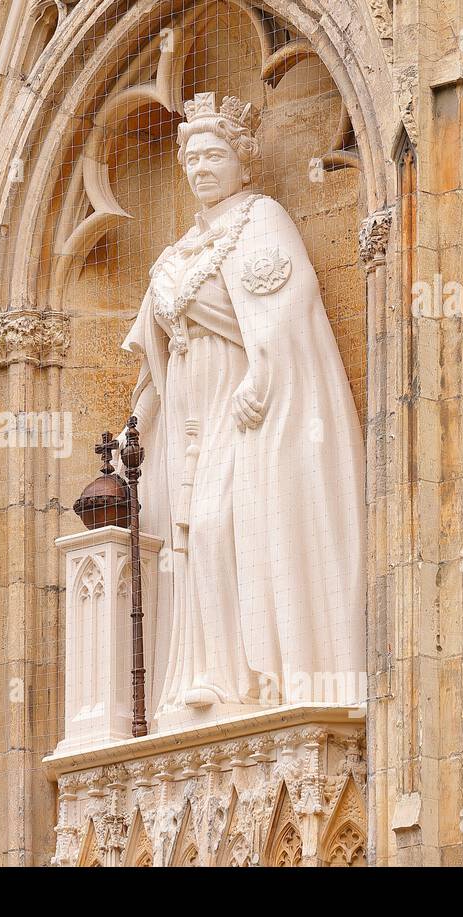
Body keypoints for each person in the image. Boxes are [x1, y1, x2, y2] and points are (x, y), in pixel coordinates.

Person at [121, 92, 365, 722]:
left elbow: (285, 304)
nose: (202, 168)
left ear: (241, 161)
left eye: (214, 155)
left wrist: (262, 370)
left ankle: (253, 673)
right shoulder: (180, 251)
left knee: (217, 521)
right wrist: (140, 418)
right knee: (188, 530)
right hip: (189, 400)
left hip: (243, 401)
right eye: (192, 159)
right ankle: (208, 672)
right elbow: (156, 338)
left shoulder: (261, 219)